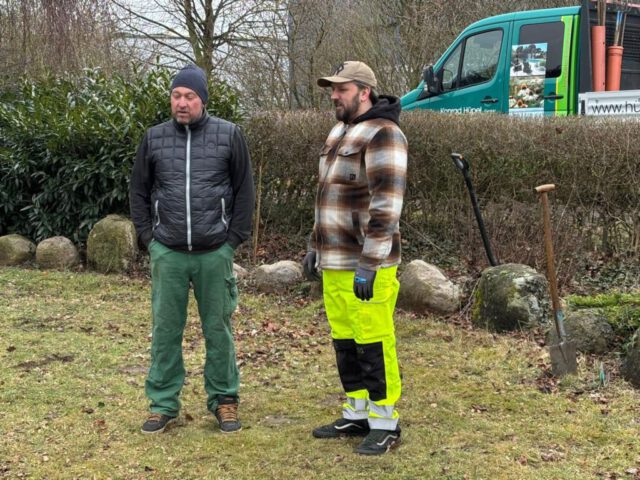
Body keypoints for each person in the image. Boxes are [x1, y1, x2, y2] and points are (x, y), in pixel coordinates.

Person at [130, 64, 255, 435]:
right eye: (176, 95)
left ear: (202, 100)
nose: (181, 103)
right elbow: (138, 191)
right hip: (167, 252)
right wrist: (148, 239)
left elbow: (244, 191)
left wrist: (232, 241)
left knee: (218, 329)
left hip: (214, 251)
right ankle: (162, 403)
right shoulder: (153, 138)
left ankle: (224, 400)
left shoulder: (229, 135)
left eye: (189, 96)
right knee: (165, 330)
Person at [303, 61, 408, 455]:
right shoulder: (338, 132)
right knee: (345, 339)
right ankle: (358, 412)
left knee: (374, 341)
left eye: (342, 89)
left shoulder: (384, 134)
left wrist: (371, 262)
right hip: (334, 261)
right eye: (332, 89)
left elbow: (387, 206)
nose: (334, 96)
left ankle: (385, 422)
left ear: (364, 92)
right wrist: (314, 245)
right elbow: (326, 198)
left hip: (367, 265)